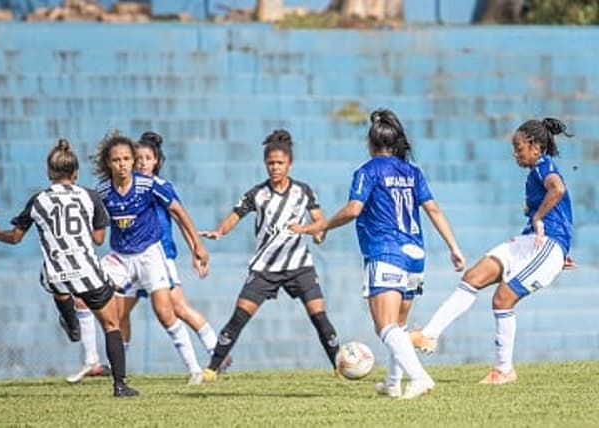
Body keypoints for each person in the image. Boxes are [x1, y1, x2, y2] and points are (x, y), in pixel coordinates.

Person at [302, 109, 465, 399]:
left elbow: (354, 209)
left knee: (385, 327)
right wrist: (454, 248)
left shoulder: (368, 171)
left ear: (371, 142)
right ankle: (393, 382)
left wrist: (324, 225)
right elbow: (434, 210)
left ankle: (420, 378)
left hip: (385, 252)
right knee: (399, 325)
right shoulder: (413, 172)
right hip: (415, 255)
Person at [410, 117, 574, 385]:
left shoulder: (545, 166)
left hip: (546, 244)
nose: (515, 153)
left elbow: (558, 189)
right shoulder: (535, 172)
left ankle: (503, 370)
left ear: (535, 146)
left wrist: (541, 221)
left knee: (502, 299)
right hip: (531, 243)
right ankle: (430, 333)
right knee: (473, 276)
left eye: (518, 147)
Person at [0, 139, 138, 397]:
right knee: (111, 324)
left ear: (49, 173)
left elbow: (15, 238)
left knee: (59, 285)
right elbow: (99, 239)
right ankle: (120, 385)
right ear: (76, 173)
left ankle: (71, 323)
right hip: (86, 271)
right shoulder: (89, 196)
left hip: (55, 274)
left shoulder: (38, 201)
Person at [199, 129, 340, 382]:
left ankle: (340, 367)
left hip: (300, 266)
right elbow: (235, 215)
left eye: (280, 163)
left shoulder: (303, 191)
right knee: (238, 318)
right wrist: (220, 232)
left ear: (290, 164)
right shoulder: (257, 194)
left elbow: (320, 221)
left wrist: (317, 233)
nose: (275, 168)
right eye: (270, 163)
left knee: (319, 318)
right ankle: (211, 369)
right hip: (264, 268)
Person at [92, 132, 210, 385]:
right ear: (108, 163)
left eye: (126, 159)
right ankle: (106, 367)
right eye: (116, 160)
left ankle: (195, 370)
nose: (122, 164)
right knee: (100, 301)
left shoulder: (148, 185)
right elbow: (97, 233)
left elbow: (178, 211)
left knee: (165, 312)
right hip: (121, 258)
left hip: (149, 255)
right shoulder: (101, 192)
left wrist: (197, 245)